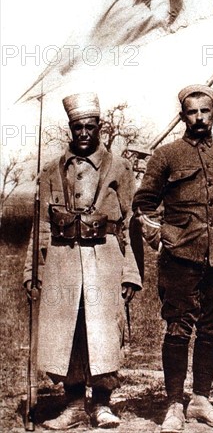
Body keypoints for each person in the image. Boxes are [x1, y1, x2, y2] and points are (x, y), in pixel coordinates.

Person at [132, 85, 213, 433]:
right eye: (192, 112)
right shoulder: (166, 156)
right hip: (180, 258)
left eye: (205, 111)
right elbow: (143, 205)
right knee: (178, 328)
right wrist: (161, 237)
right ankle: (173, 404)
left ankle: (200, 401)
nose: (199, 118)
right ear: (183, 115)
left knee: (211, 328)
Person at [23, 92, 142, 429]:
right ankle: (73, 403)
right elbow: (42, 224)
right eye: (78, 127)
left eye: (91, 126)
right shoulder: (51, 170)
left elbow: (129, 222)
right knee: (68, 331)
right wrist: (33, 269)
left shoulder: (119, 167)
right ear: (70, 129)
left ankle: (103, 403)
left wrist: (130, 273)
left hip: (105, 260)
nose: (85, 133)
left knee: (103, 329)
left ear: (99, 127)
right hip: (62, 261)